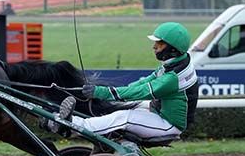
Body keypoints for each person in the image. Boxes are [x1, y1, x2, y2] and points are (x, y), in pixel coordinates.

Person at [48, 22, 199, 142]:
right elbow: (144, 82)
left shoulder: (172, 78)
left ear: (172, 49)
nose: (154, 47)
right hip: (158, 112)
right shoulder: (176, 63)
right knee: (119, 108)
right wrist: (115, 92)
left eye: (159, 44)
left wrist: (102, 92)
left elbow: (142, 92)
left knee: (124, 117)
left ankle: (74, 125)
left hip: (168, 126)